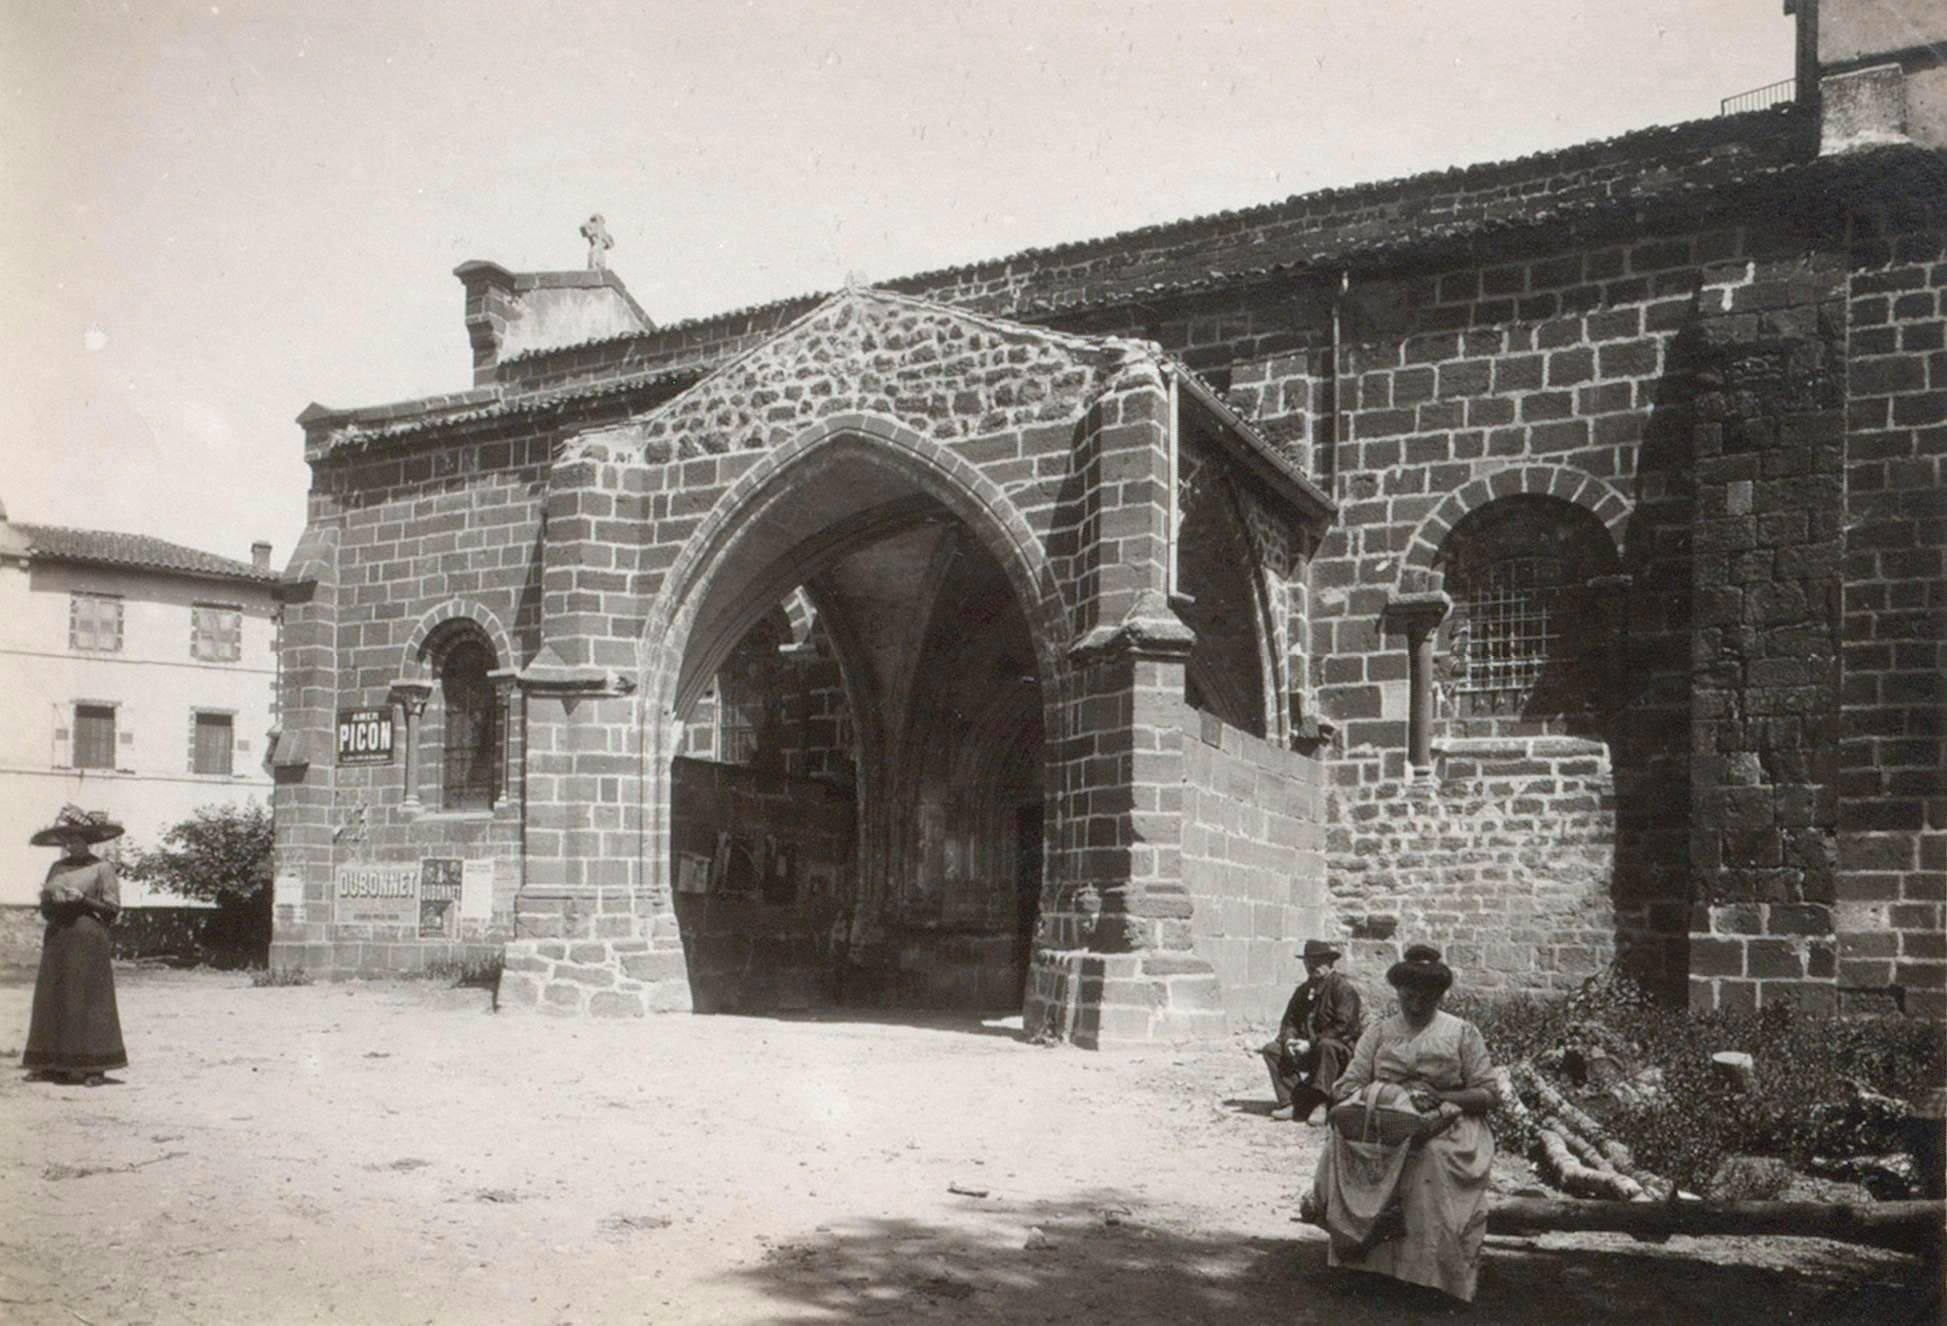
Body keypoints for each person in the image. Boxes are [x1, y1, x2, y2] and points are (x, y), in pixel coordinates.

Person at [1308, 943, 1499, 1302]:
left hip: (1449, 1125)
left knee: (1427, 1161)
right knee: (1342, 1145)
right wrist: (1385, 1095)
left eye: (1425, 999)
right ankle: (1359, 1262)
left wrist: (1442, 1098)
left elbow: (1488, 1093)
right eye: (1408, 996)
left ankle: (1429, 1276)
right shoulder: (1379, 1032)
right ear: (1398, 992)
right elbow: (1348, 1084)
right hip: (1385, 1121)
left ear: (1439, 996)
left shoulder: (1461, 1032)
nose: (1415, 1005)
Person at [21, 805, 128, 1086]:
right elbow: (45, 908)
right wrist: (50, 901)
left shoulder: (102, 868)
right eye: (67, 841)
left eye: (76, 840)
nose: (71, 845)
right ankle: (47, 1063)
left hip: (89, 938)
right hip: (58, 937)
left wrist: (82, 899)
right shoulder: (56, 868)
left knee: (89, 999)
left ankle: (94, 1067)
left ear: (87, 841)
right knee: (52, 997)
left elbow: (111, 910)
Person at [1259, 938, 1363, 1122]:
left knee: (1326, 1045)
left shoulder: (1343, 990)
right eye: (1308, 962)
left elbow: (1343, 1027)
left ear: (1329, 963)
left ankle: (1321, 1104)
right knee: (1272, 1050)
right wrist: (1290, 1040)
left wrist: (1310, 1043)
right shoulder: (1303, 991)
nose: (1312, 966)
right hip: (1309, 1049)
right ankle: (1291, 1103)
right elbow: (1289, 1022)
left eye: (1318, 962)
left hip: (1339, 1053)